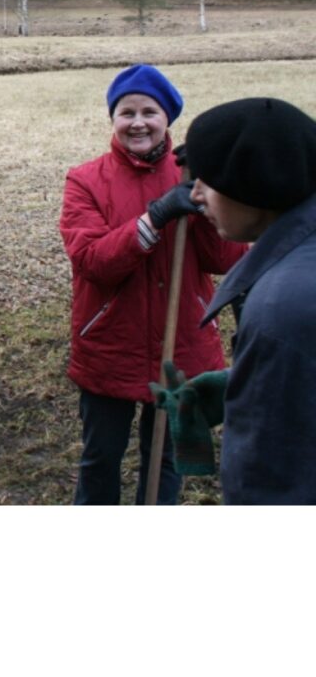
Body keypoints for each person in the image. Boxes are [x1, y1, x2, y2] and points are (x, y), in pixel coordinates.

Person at [59, 65, 248, 505]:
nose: (138, 123)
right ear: (113, 119)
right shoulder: (85, 180)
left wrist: (210, 196)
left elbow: (225, 259)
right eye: (127, 113)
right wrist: (155, 216)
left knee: (167, 458)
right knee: (100, 457)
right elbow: (93, 261)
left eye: (150, 112)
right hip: (110, 342)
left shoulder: (192, 178)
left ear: (167, 119)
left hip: (181, 343)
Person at [154, 96, 316, 504]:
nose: (195, 195)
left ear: (254, 185)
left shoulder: (281, 307)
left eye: (208, 181)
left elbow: (272, 483)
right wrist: (245, 385)